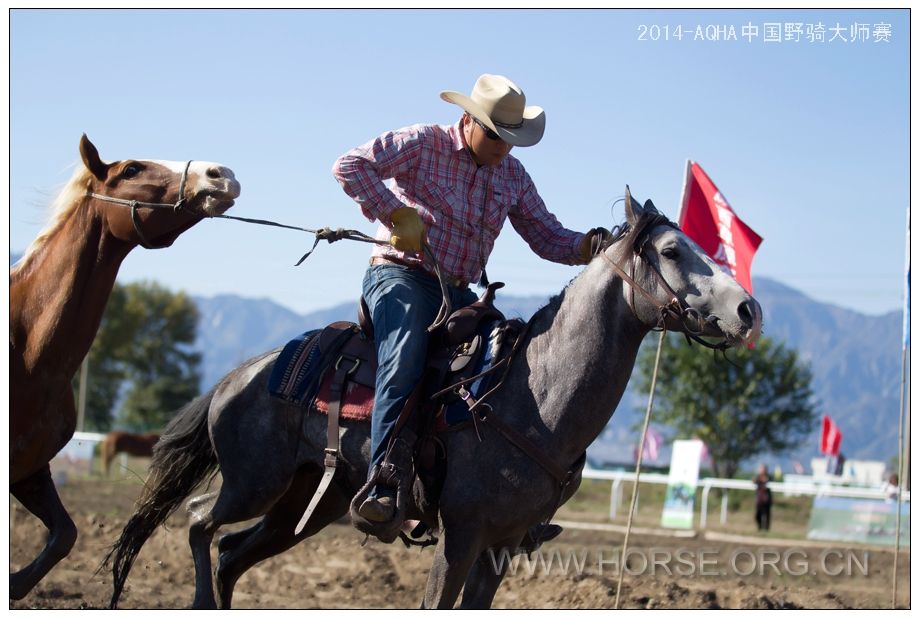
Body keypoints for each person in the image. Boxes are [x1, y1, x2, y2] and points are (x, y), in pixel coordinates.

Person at [333, 74, 609, 533]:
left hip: (460, 292)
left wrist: (589, 247)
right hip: (399, 275)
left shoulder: (513, 176)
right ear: (468, 120)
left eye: (511, 139)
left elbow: (545, 235)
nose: (504, 148)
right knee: (404, 358)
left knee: (511, 369)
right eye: (496, 136)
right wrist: (395, 214)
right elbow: (349, 165)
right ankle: (382, 479)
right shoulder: (422, 143)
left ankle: (500, 496)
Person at [753, 464, 772, 531]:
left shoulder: (769, 476)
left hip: (767, 499)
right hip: (759, 500)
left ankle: (766, 529)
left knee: (767, 515)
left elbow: (769, 481)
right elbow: (754, 481)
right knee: (758, 515)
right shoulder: (758, 476)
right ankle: (760, 528)